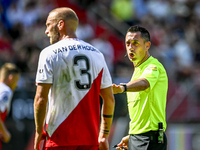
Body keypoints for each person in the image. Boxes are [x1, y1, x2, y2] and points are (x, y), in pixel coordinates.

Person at [33, 7, 115, 150]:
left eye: (48, 25)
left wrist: (39, 131)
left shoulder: (49, 53)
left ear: (60, 24)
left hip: (59, 137)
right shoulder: (97, 54)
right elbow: (109, 99)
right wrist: (104, 135)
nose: (46, 31)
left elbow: (40, 98)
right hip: (90, 139)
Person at [112, 25, 168, 150]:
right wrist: (132, 136)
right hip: (139, 137)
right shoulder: (138, 70)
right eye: (128, 43)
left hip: (149, 137)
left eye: (135, 43)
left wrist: (122, 88)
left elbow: (144, 83)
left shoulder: (153, 66)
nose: (130, 47)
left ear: (147, 45)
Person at [0, 63, 20, 150]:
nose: (16, 85)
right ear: (11, 78)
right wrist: (5, 133)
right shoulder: (6, 91)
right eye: (16, 80)